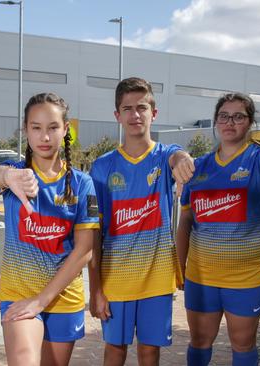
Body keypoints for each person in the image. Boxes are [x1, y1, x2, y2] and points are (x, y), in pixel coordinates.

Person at [176, 92, 260, 366]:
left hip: (246, 278)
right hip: (201, 277)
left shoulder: (259, 158)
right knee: (200, 342)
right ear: (216, 121)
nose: (230, 122)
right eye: (224, 116)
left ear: (250, 122)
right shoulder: (198, 167)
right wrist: (178, 267)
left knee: (242, 345)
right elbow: (186, 223)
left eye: (238, 116)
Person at [88, 77, 194, 366]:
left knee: (149, 352)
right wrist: (95, 289)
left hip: (157, 279)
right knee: (115, 351)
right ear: (117, 115)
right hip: (115, 280)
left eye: (142, 107)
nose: (135, 114)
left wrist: (184, 159)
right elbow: (94, 233)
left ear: (153, 113)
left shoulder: (164, 156)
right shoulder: (102, 167)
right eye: (128, 108)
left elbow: (178, 157)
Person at [0, 92, 99, 366]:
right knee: (25, 360)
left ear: (65, 130)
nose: (45, 137)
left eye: (53, 127)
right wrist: (7, 176)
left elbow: (85, 250)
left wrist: (41, 300)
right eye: (36, 128)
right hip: (18, 292)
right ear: (26, 130)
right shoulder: (15, 173)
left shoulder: (83, 184)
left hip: (63, 296)